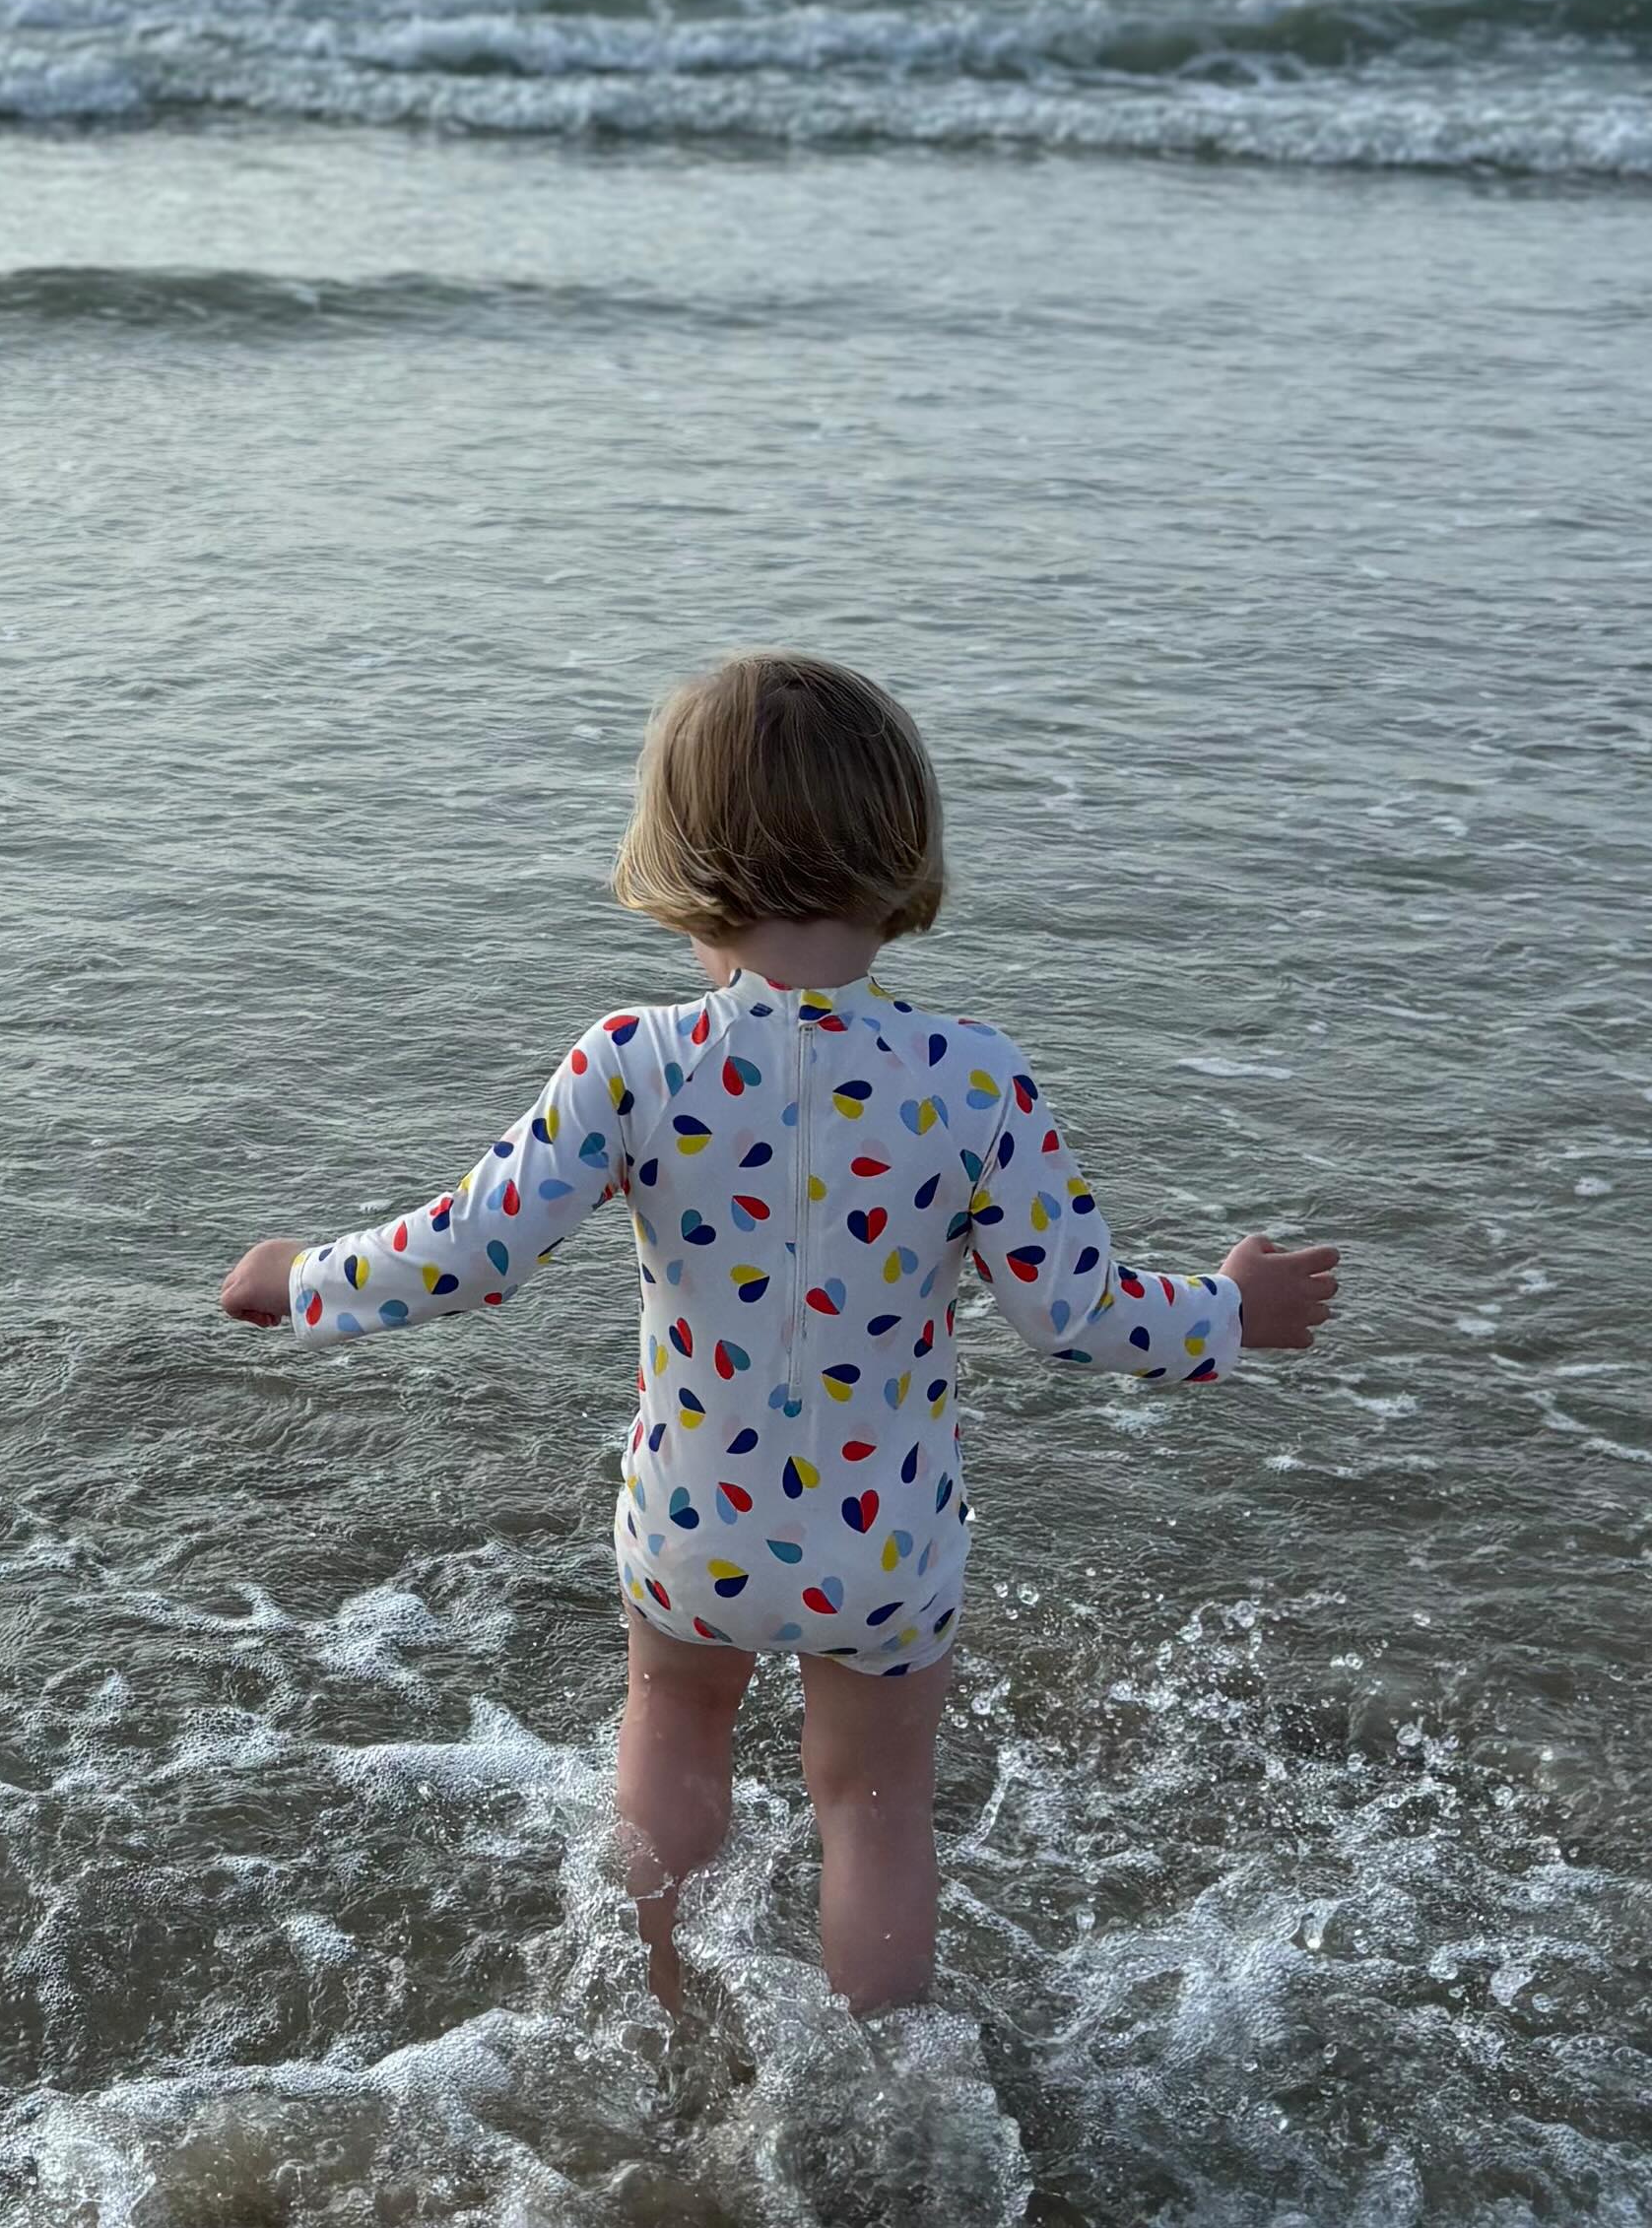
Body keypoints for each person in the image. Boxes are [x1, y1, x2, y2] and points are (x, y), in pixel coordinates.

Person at [219, 650, 1340, 2016]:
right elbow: (1075, 1315)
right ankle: (890, 2074)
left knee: (674, 1729)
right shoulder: (975, 1077)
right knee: (875, 1806)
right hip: (887, 1543)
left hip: (698, 1523)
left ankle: (656, 2011)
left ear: (683, 852)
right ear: (901, 843)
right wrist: (1230, 1312)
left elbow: (469, 1253)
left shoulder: (633, 1063)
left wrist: (301, 1279)